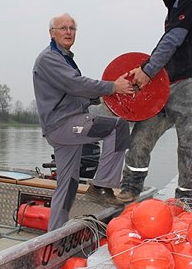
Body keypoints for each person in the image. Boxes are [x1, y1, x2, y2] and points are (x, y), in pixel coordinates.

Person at [118, 0, 192, 204]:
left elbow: (173, 38)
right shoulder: (174, 7)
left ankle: (188, 200)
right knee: (142, 134)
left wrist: (147, 70)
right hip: (169, 83)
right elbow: (169, 43)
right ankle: (130, 189)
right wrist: (149, 72)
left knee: (191, 143)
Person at [33, 13, 135, 231]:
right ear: (52, 33)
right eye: (63, 28)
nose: (68, 32)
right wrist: (111, 87)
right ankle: (102, 186)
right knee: (118, 127)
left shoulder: (64, 58)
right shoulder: (49, 58)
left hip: (63, 127)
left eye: (72, 28)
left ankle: (54, 234)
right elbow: (75, 84)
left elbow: (75, 93)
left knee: (68, 184)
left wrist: (101, 95)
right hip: (63, 124)